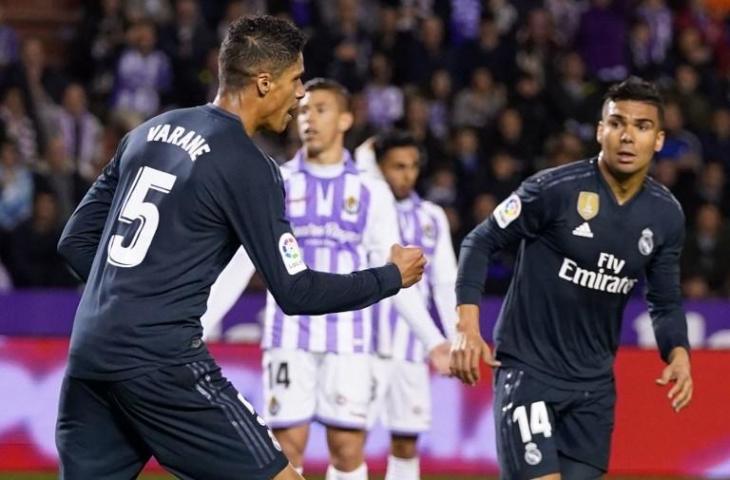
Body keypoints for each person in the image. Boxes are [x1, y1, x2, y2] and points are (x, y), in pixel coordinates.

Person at [55, 16, 426, 480]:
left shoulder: (148, 132)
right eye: (295, 80)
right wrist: (389, 277)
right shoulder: (249, 166)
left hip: (89, 352)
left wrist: (133, 299)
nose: (300, 95)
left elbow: (74, 242)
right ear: (264, 81)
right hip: (164, 361)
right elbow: (296, 291)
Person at [450, 77, 694, 479]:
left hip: (593, 389)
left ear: (660, 139)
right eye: (617, 123)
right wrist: (467, 325)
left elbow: (665, 301)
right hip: (529, 373)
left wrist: (678, 353)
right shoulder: (554, 190)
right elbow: (480, 241)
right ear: (601, 131)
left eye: (642, 126)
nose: (627, 136)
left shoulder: (666, 216)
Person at [258, 78, 449, 480]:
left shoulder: (370, 191)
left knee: (347, 451)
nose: (309, 117)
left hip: (350, 337)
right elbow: (242, 261)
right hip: (288, 334)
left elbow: (392, 275)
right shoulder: (276, 182)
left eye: (321, 109)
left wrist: (434, 341)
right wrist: (200, 323)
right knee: (286, 450)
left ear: (345, 119)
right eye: (304, 110)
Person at [366, 130, 458, 480]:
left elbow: (445, 283)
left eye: (412, 167)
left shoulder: (432, 217)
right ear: (380, 168)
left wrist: (454, 340)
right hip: (365, 346)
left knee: (406, 443)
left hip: (411, 349)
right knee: (348, 441)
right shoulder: (365, 206)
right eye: (397, 166)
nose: (406, 175)